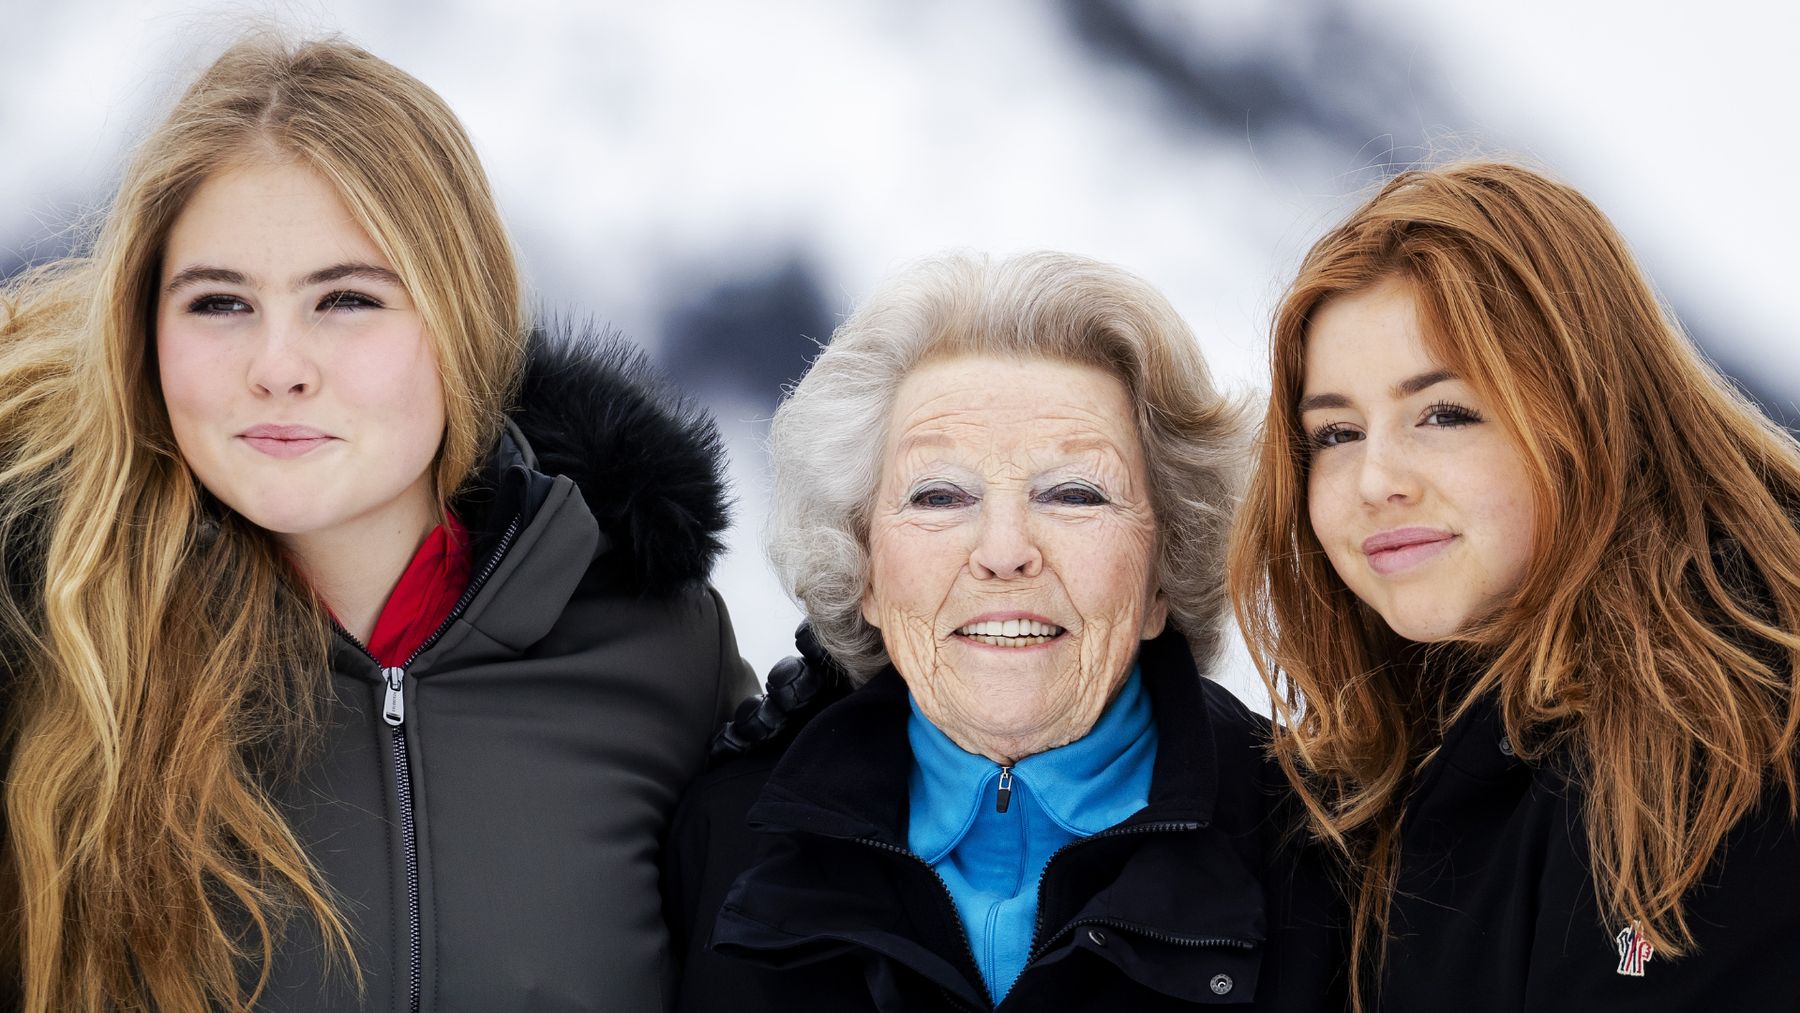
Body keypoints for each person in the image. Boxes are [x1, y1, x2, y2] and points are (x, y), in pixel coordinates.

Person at [0, 37, 755, 1012]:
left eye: (346, 298)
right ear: (147, 333)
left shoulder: (661, 652)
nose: (278, 364)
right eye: (219, 302)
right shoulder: (41, 644)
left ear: (461, 318)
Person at [665, 252, 1345, 1011]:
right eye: (939, 495)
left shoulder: (1330, 853)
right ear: (863, 570)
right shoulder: (725, 841)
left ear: (1167, 569)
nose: (1002, 552)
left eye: (1075, 493)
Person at [1228, 160, 1800, 1011]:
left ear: (1587, 408)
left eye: (1445, 414)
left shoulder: (1730, 723)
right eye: (1337, 432)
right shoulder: (1412, 738)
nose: (1375, 478)